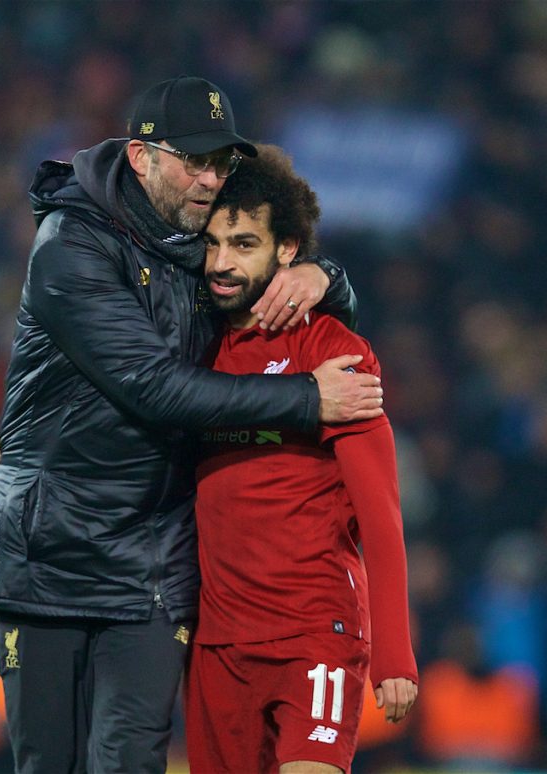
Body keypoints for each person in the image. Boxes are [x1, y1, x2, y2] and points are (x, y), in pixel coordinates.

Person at [0, 75, 383, 773]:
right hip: (52, 558)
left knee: (132, 762)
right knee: (51, 764)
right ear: (141, 157)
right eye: (194, 161)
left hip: (155, 567)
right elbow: (152, 386)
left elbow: (264, 266)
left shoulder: (198, 243)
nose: (210, 179)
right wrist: (305, 400)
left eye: (221, 163)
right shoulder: (71, 245)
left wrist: (328, 279)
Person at [185, 144, 419, 773]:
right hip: (218, 644)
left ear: (286, 251)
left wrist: (395, 652)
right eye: (212, 244)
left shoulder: (334, 350)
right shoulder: (191, 350)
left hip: (315, 631)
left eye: (243, 244)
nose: (221, 263)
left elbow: (382, 514)